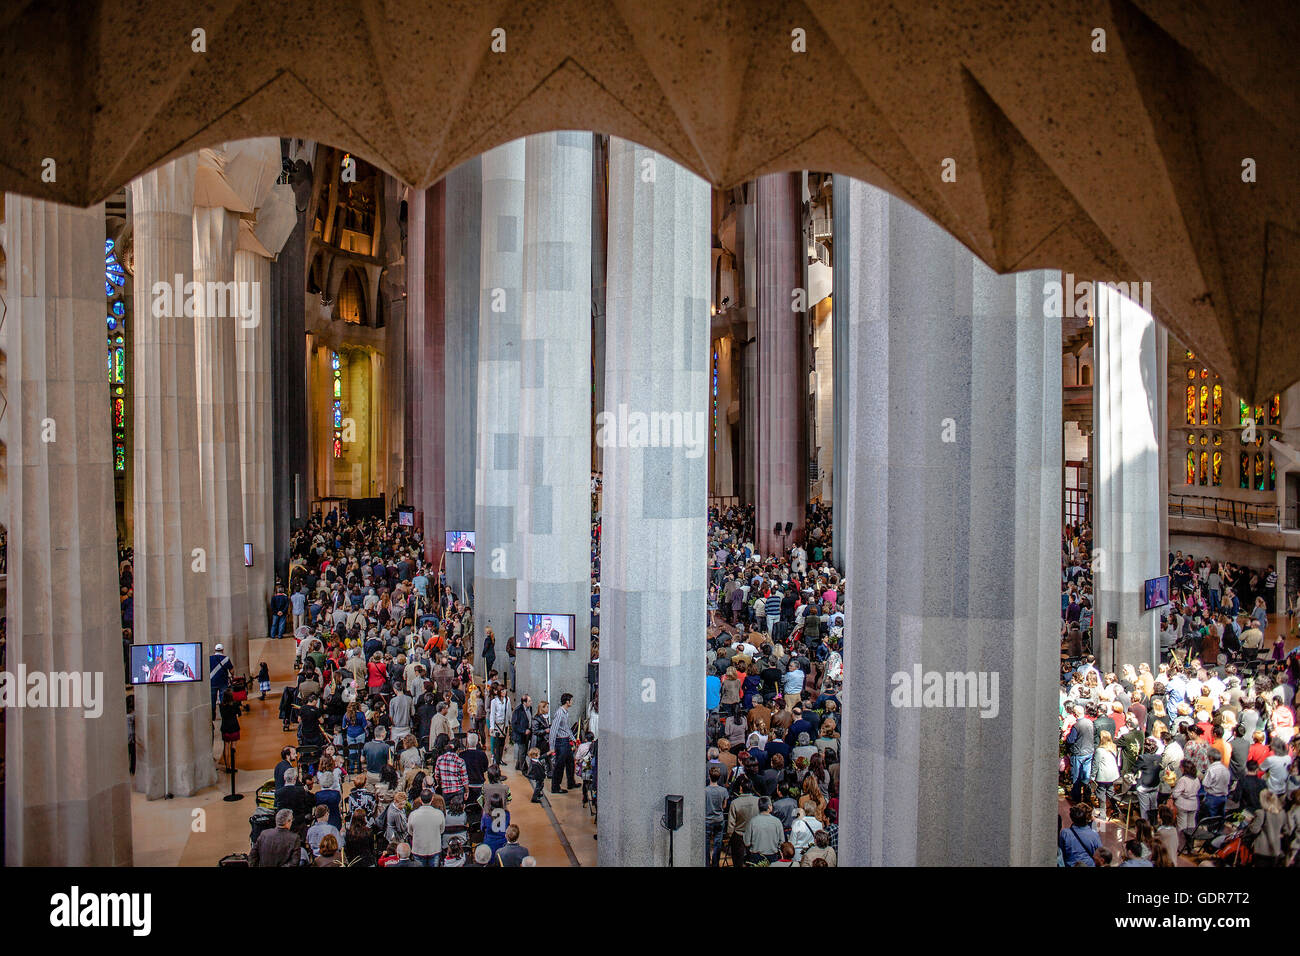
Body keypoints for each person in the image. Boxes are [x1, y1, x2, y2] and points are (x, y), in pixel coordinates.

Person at [407, 789, 446, 866]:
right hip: (434, 849)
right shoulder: (439, 814)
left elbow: (410, 831)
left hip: (419, 849)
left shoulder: (413, 814)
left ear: (420, 800)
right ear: (432, 799)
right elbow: (441, 830)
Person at [549, 692, 578, 793]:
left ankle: (571, 782)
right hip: (560, 742)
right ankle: (555, 787)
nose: (572, 702)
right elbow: (553, 730)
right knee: (559, 765)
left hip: (566, 741)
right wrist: (551, 746)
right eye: (571, 700)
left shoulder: (566, 712)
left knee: (570, 763)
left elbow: (566, 728)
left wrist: (573, 739)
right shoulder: (560, 713)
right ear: (567, 702)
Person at [208, 643, 232, 719]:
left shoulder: (210, 658)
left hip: (212, 682)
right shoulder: (226, 659)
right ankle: (223, 714)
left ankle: (212, 715)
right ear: (222, 650)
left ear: (215, 650)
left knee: (212, 699)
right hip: (223, 682)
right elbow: (232, 670)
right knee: (223, 699)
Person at [511, 694, 533, 771]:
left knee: (524, 750)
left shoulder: (530, 708)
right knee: (522, 751)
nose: (531, 702)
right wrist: (523, 731)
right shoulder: (518, 711)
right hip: (520, 734)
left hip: (527, 734)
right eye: (529, 701)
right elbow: (514, 724)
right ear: (524, 702)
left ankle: (518, 765)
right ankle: (523, 768)